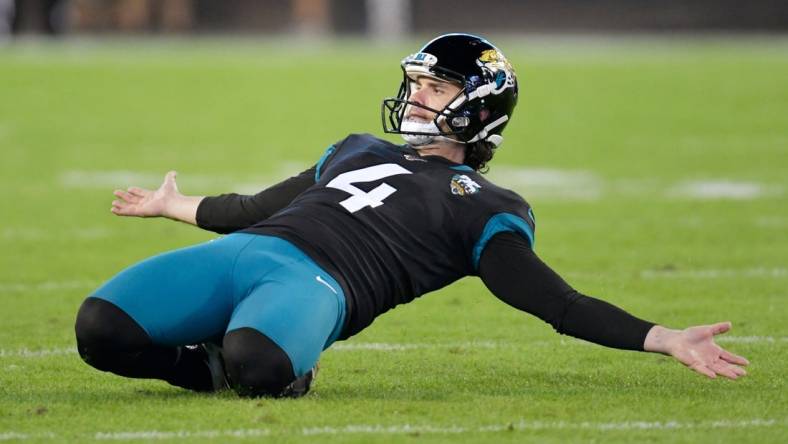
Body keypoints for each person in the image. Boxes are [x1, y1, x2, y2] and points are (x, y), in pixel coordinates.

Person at [75, 33, 749, 399]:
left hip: (321, 286)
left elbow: (557, 304)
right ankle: (198, 367)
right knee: (99, 328)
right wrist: (176, 206)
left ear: (478, 106)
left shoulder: (487, 207)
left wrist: (662, 338)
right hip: (252, 249)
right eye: (416, 84)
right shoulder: (358, 147)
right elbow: (255, 209)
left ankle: (226, 367)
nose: (417, 96)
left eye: (435, 86)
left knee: (258, 366)